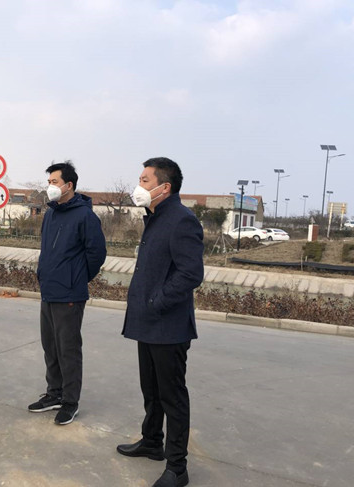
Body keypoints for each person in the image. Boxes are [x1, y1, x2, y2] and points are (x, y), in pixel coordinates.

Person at [116, 157, 204, 487]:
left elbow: (191, 273)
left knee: (172, 397)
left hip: (168, 326)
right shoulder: (155, 218)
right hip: (148, 323)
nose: (138, 186)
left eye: (145, 180)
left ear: (164, 187)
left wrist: (157, 301)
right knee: (151, 391)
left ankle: (177, 468)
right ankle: (152, 441)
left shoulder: (182, 220)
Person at [28, 161, 107, 425]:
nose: (49, 187)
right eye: (49, 182)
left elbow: (97, 254)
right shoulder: (51, 213)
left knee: (68, 349)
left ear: (69, 185)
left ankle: (70, 401)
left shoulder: (85, 216)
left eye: (54, 182)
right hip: (49, 291)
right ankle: (54, 394)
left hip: (70, 294)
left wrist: (76, 277)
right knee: (50, 347)